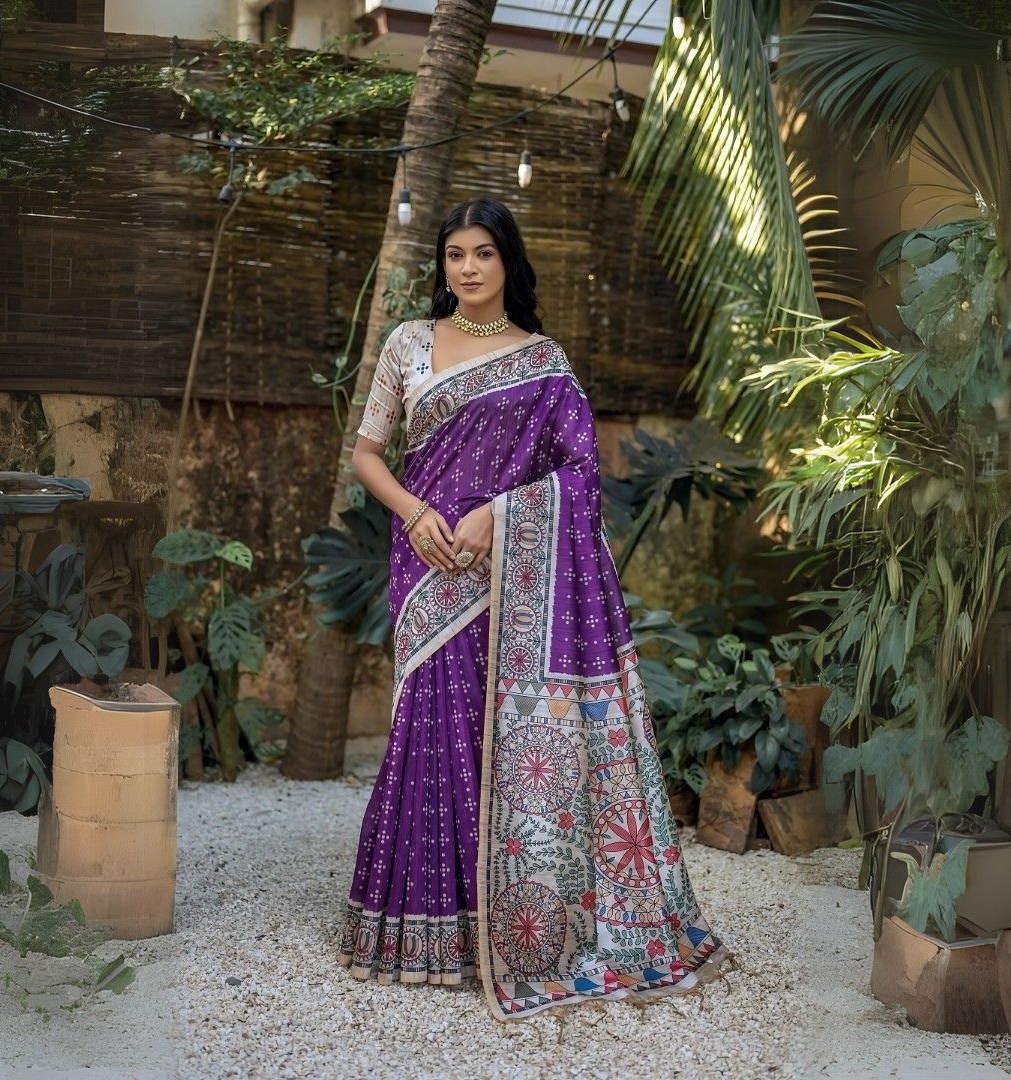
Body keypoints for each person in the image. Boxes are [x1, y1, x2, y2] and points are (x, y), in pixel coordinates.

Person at [338, 196, 726, 1020]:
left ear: (508, 260)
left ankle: (507, 926)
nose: (467, 268)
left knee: (500, 741)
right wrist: (416, 513)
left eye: (483, 252)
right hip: (427, 566)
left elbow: (581, 475)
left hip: (509, 570)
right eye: (454, 254)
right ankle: (418, 929)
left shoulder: (543, 362)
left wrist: (499, 516)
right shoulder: (408, 344)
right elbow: (367, 455)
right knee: (431, 729)